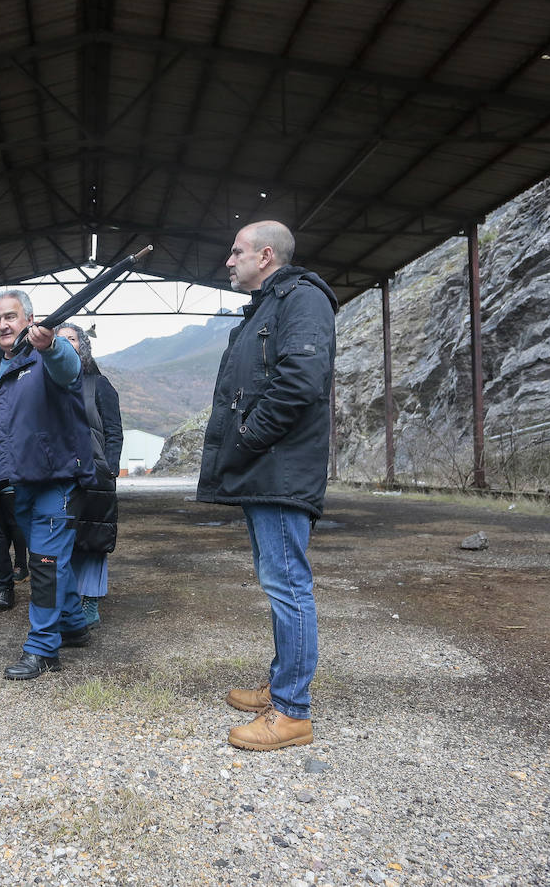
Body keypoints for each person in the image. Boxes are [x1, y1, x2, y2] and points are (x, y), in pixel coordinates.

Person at [197, 220, 337, 752]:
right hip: (267, 468)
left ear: (267, 255)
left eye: (236, 252)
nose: (228, 262)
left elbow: (301, 378)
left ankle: (293, 713)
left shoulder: (301, 299)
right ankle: (281, 687)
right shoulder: (272, 304)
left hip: (280, 468)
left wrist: (249, 435)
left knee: (288, 586)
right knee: (278, 582)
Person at [0, 290, 94, 680]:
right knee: (49, 559)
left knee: (43, 562)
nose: (3, 325)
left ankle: (43, 649)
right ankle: (73, 623)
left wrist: (53, 344)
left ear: (29, 318)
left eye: (11, 316)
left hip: (56, 480)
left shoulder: (47, 353)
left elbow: (69, 369)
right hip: (18, 482)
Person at [56, 324, 121, 629]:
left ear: (82, 346)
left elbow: (113, 431)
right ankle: (68, 599)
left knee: (94, 537)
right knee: (65, 538)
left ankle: (90, 602)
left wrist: (110, 467)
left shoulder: (99, 384)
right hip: (59, 473)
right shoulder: (48, 384)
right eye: (60, 340)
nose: (66, 344)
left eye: (71, 339)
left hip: (95, 472)